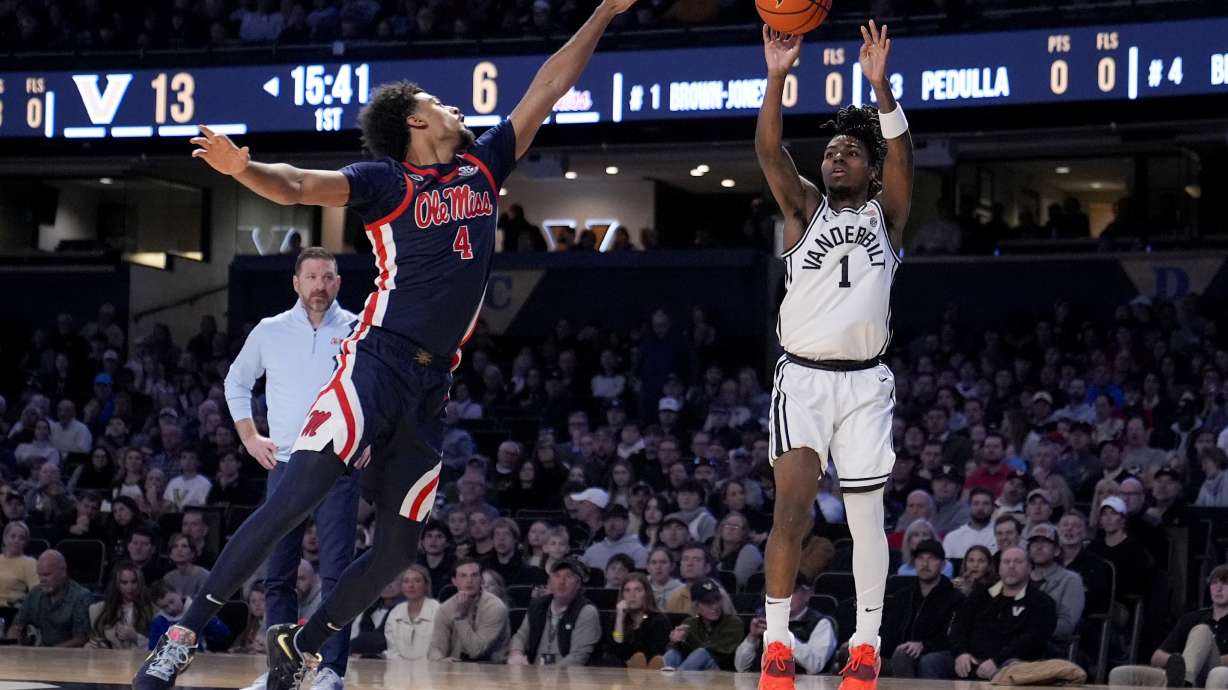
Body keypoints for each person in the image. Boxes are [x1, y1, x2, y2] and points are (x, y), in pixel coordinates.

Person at [136, 0, 641, 686]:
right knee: (293, 498)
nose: (455, 106)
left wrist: (605, 12)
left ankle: (304, 643)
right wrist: (242, 170)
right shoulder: (387, 182)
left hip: (434, 384)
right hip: (375, 360)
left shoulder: (483, 167)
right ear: (415, 120)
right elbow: (298, 185)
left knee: (400, 544)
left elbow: (548, 86)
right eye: (438, 100)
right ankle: (183, 635)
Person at [756, 19, 913, 690]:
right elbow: (769, 154)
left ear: (871, 167)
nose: (836, 158)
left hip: (867, 384)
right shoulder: (803, 210)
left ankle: (866, 646)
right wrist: (777, 76)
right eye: (831, 152)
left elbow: (906, 158)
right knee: (790, 509)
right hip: (804, 381)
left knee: (865, 516)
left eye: (851, 152)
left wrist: (882, 90)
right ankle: (775, 645)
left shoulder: (888, 214)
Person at [221, 245, 361, 690]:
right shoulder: (271, 330)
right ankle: (283, 670)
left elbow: (383, 394)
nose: (320, 285)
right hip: (284, 463)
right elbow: (237, 381)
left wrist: (370, 438)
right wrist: (248, 436)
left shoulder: (359, 328)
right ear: (296, 283)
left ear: (338, 282)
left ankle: (332, 672)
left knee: (337, 573)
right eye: (312, 277)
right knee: (278, 573)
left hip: (339, 464)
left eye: (328, 277)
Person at [925, 547, 1058, 679]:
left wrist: (996, 660)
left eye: (1018, 562)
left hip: (1008, 664)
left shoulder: (1042, 602)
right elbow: (958, 626)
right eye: (1006, 562)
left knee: (1013, 667)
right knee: (931, 662)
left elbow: (1031, 640)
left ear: (1030, 568)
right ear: (999, 567)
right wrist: (961, 653)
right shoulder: (980, 594)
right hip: (971, 660)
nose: (1011, 566)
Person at [1109, 564, 1228, 688]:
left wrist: (1201, 656)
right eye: (1214, 583)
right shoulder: (1191, 618)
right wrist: (1179, 662)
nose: (1218, 589)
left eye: (1225, 583)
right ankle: (1182, 680)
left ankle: (1184, 681)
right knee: (1121, 673)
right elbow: (1156, 657)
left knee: (1203, 633)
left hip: (1218, 672)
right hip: (1177, 676)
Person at [881, 540, 963, 678]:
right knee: (852, 653)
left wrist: (923, 645)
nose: (925, 564)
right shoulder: (903, 596)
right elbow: (887, 632)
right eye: (920, 558)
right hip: (895, 657)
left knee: (904, 654)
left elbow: (953, 638)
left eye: (931, 559)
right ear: (914, 563)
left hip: (930, 656)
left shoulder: (954, 598)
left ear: (942, 565)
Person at [736, 576, 838, 675]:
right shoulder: (765, 620)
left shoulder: (822, 623)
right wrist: (752, 638)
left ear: (807, 594)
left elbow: (815, 665)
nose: (785, 597)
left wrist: (781, 635)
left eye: (792, 591)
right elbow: (741, 667)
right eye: (779, 592)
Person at [507, 559, 601, 666]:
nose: (561, 582)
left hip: (570, 677)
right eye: (557, 576)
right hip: (534, 674)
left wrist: (550, 674)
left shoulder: (586, 611)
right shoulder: (538, 605)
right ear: (550, 581)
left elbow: (578, 657)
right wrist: (516, 654)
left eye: (568, 577)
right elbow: (520, 636)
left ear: (578, 584)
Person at [4, 550, 92, 647]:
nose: (42, 580)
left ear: (63, 571)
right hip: (40, 653)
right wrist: (14, 642)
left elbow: (80, 639)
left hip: (70, 657)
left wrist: (47, 654)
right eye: (39, 575)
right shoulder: (35, 593)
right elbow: (17, 625)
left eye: (46, 575)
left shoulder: (81, 597)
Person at [428, 559, 510, 662]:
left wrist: (460, 618)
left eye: (474, 575)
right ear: (454, 581)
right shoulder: (445, 609)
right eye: (463, 576)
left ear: (481, 580)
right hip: (455, 669)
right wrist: (440, 659)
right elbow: (435, 648)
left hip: (491, 670)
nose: (469, 580)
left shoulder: (495, 607)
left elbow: (475, 651)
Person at [663, 578, 745, 671]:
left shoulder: (733, 623)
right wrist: (675, 641)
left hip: (723, 671)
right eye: (708, 602)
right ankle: (669, 680)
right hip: (694, 672)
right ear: (696, 606)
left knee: (701, 653)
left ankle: (674, 683)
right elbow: (675, 649)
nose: (715, 606)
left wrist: (690, 643)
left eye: (717, 599)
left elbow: (716, 651)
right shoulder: (690, 623)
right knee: (672, 654)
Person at [1023, 523, 1084, 641]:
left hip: (1050, 644)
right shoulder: (1020, 577)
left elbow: (1067, 624)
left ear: (1056, 550)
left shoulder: (1070, 580)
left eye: (1045, 542)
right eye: (1034, 542)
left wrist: (1030, 630)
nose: (1039, 547)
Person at [606, 572, 671, 668]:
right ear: (622, 595)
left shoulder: (659, 620)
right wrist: (620, 619)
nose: (632, 595)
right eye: (627, 590)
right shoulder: (616, 619)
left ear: (647, 594)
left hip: (649, 672)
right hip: (621, 671)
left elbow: (654, 656)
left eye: (638, 590)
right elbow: (616, 650)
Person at [87, 561, 156, 650]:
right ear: (117, 584)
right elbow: (96, 638)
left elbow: (159, 648)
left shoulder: (152, 610)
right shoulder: (99, 609)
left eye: (134, 582)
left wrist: (136, 637)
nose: (130, 587)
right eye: (124, 583)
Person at [384, 565, 439, 661]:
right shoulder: (395, 612)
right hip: (400, 671)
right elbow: (393, 652)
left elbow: (440, 650)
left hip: (431, 670)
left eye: (417, 581)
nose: (411, 585)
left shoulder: (437, 610)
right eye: (406, 581)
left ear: (426, 585)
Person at [580, 503, 649, 570]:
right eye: (607, 520)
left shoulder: (638, 551)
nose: (611, 524)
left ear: (627, 522)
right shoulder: (592, 552)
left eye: (616, 519)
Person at [941, 488, 996, 558]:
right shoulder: (952, 537)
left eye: (985, 504)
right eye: (976, 503)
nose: (980, 508)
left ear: (993, 507)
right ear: (969, 506)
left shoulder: (1001, 535)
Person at [0, 520, 39, 607]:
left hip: (9, 609)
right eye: (13, 536)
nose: (16, 540)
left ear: (25, 542)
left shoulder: (30, 562)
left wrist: (22, 598)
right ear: (5, 538)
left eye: (21, 538)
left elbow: (37, 592)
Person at [162, 533, 210, 599]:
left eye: (184, 546)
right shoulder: (168, 578)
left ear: (192, 553)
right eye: (175, 546)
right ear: (170, 554)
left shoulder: (204, 576)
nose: (179, 550)